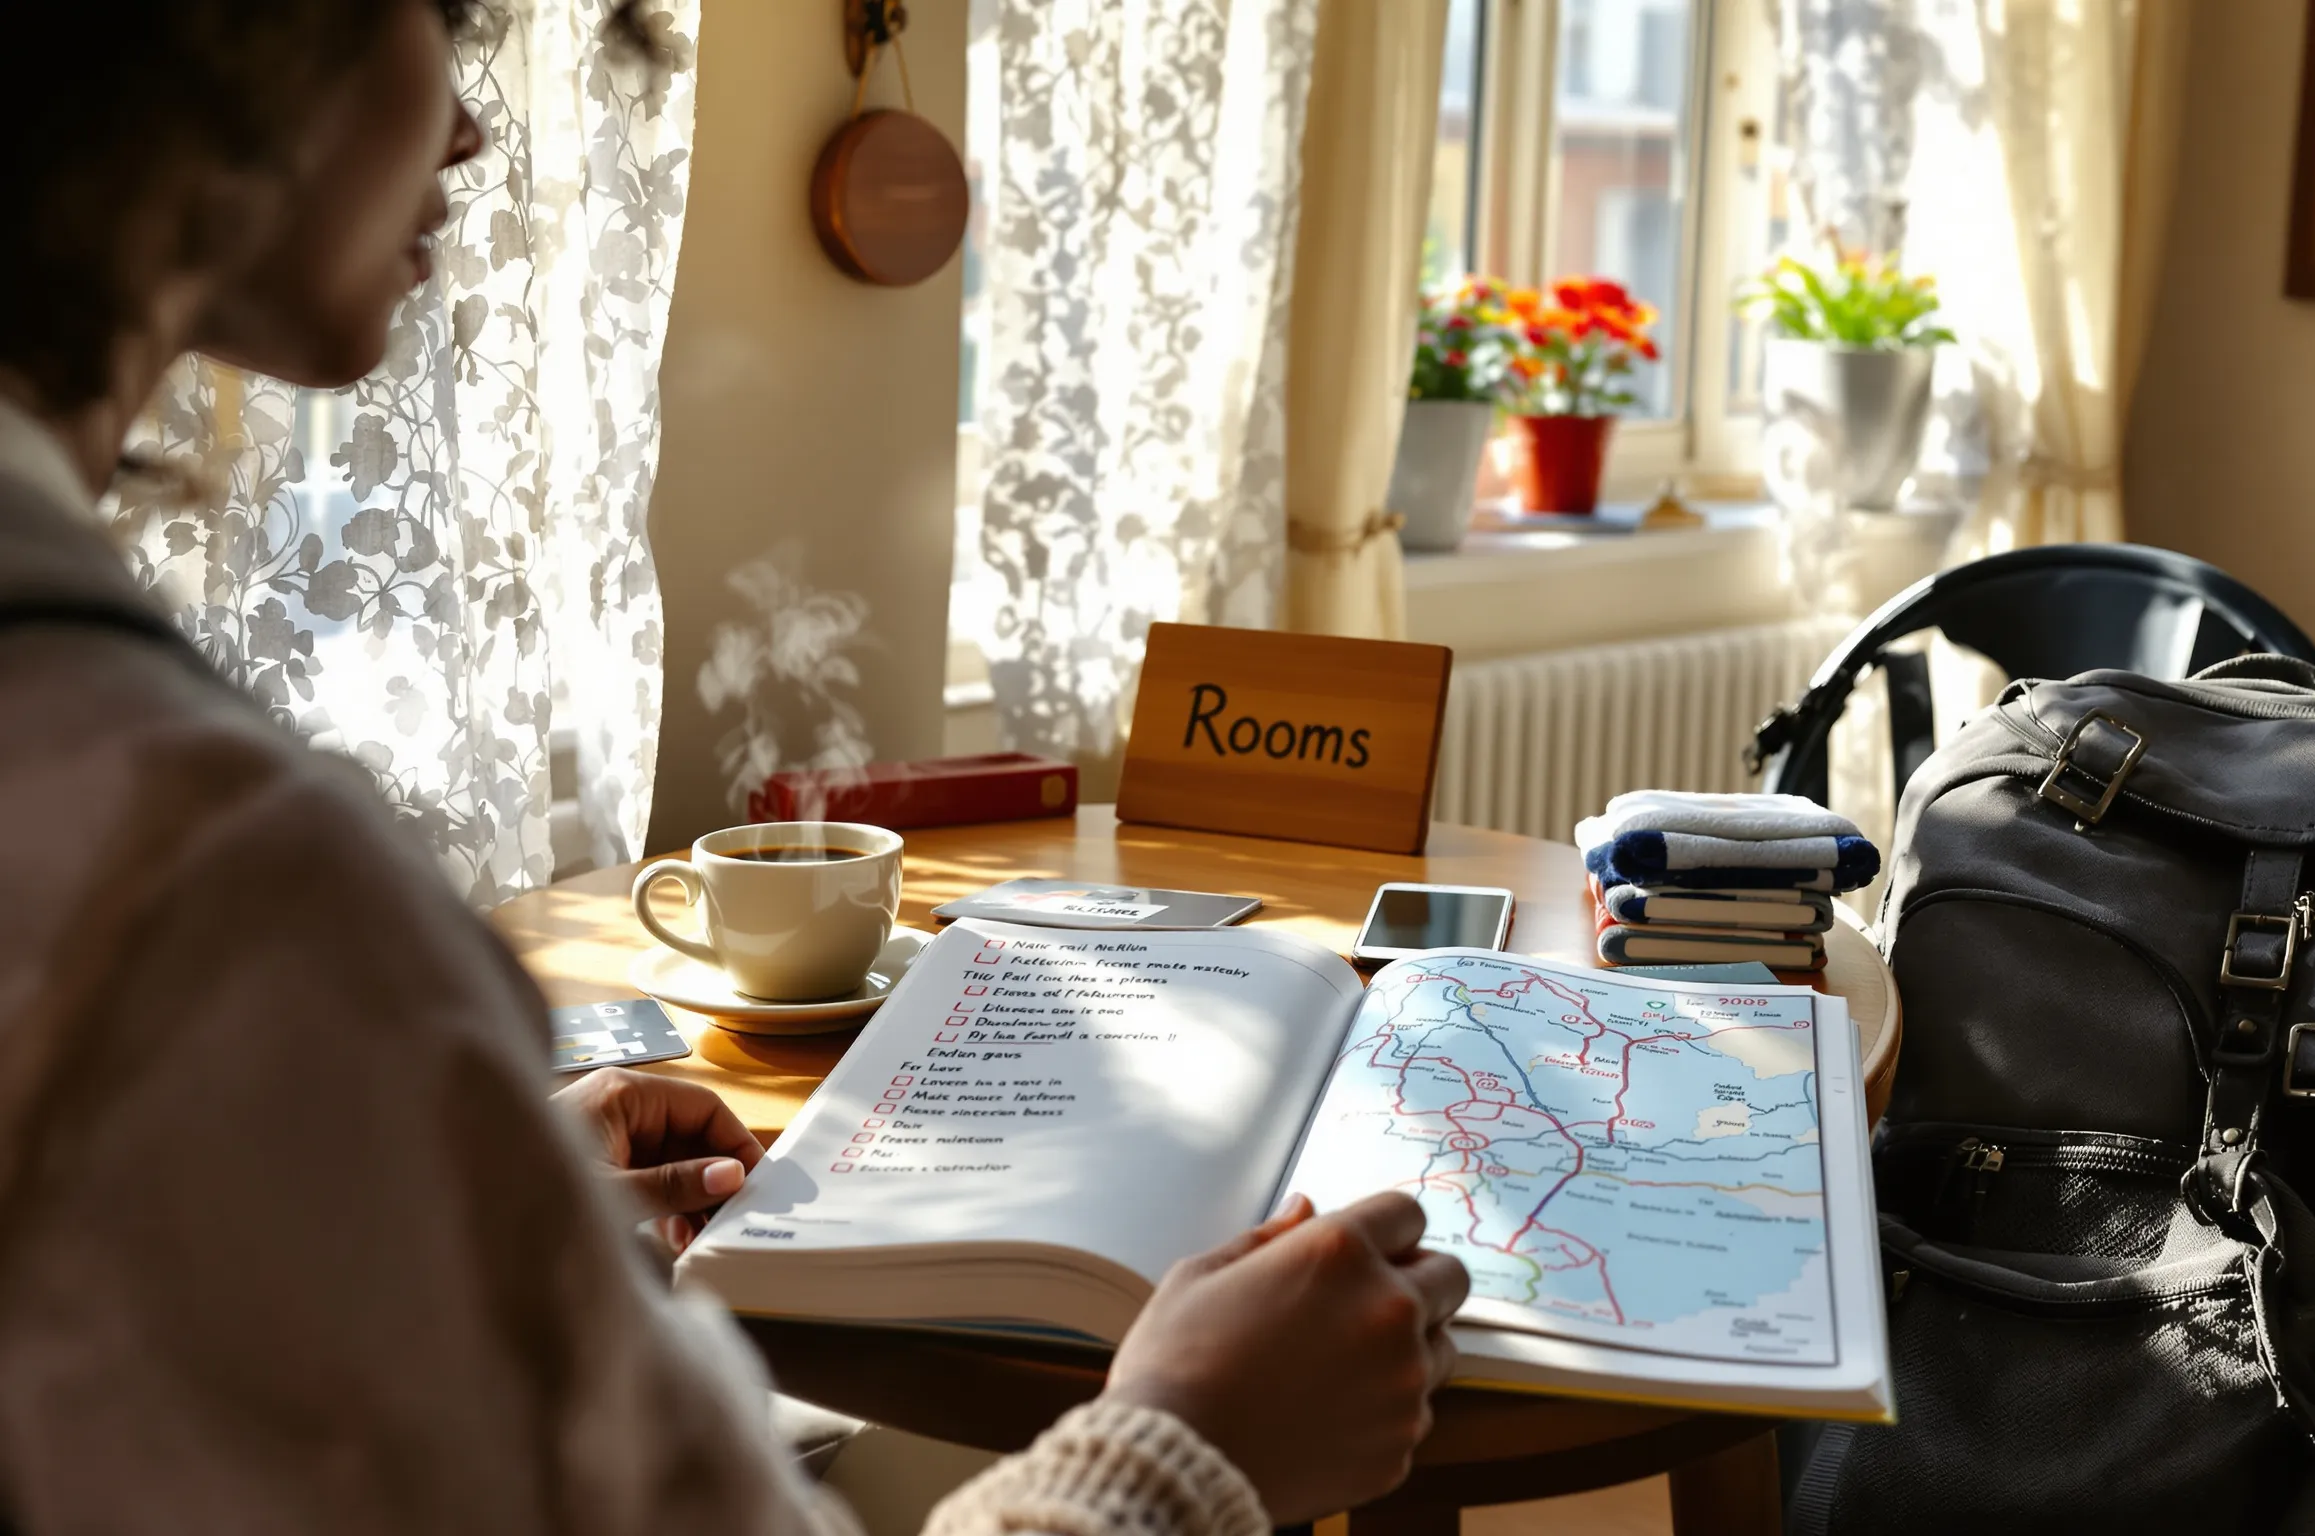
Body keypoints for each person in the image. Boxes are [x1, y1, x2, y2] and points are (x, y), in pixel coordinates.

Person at [0, 3, 1468, 1533]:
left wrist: (419, 1205)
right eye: (444, 18)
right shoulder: (208, 873)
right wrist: (1190, 1443)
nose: (472, 124)